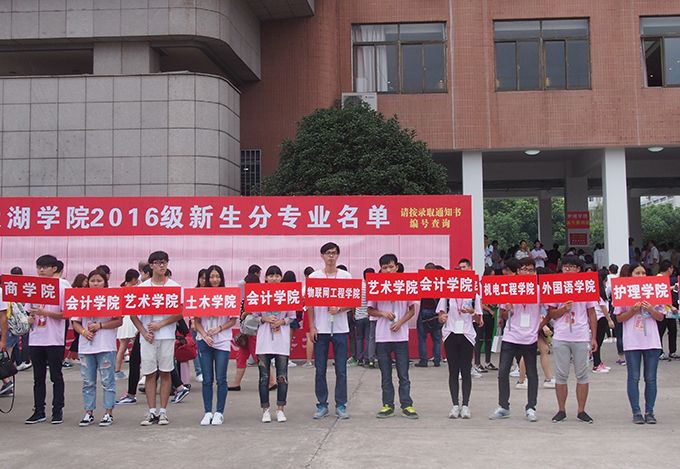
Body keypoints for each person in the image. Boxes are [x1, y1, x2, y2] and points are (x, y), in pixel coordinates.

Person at [130, 251, 183, 426]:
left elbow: (180, 312)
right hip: (148, 338)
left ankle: (163, 412)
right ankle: (151, 411)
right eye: (158, 262)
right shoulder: (142, 288)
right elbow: (133, 314)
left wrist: (161, 324)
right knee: (150, 373)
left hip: (166, 336)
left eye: (164, 262)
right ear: (151, 265)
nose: (162, 266)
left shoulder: (174, 287)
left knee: (166, 372)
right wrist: (143, 332)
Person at [546, 256, 598, 424]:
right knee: (561, 375)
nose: (567, 269)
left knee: (582, 374)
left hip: (581, 335)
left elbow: (592, 313)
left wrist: (594, 337)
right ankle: (561, 410)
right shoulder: (556, 286)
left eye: (572, 266)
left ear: (578, 269)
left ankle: (581, 410)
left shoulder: (585, 286)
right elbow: (551, 313)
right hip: (561, 336)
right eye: (565, 266)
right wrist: (564, 309)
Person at [490, 257, 542, 422]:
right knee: (503, 372)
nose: (527, 273)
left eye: (531, 270)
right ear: (518, 271)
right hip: (511, 336)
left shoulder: (539, 290)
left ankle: (531, 407)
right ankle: (503, 406)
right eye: (524, 269)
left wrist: (541, 327)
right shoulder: (509, 288)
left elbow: (548, 311)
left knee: (532, 373)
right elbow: (503, 315)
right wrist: (508, 310)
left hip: (530, 338)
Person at [368, 253, 418, 419]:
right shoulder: (376, 285)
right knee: (385, 374)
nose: (388, 270)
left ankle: (407, 404)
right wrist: (382, 313)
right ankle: (387, 405)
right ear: (380, 269)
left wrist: (400, 322)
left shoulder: (406, 284)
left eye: (391, 267)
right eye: (385, 267)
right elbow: (370, 310)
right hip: (382, 337)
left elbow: (412, 310)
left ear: (397, 267)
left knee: (403, 374)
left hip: (400, 337)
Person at [615, 263, 666, 424]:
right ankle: (636, 412)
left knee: (651, 378)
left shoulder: (654, 290)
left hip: (651, 341)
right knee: (634, 377)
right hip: (632, 341)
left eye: (643, 273)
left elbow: (661, 317)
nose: (641, 276)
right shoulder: (623, 291)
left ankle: (649, 411)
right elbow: (619, 318)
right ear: (630, 275)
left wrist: (651, 309)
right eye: (637, 273)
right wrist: (632, 310)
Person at [71, 269, 123, 427]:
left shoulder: (111, 298)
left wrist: (100, 325)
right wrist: (84, 332)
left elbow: (118, 321)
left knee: (107, 380)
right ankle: (89, 412)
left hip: (105, 345)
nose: (95, 283)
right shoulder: (81, 298)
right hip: (86, 347)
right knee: (88, 381)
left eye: (99, 281)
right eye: (92, 280)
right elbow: (75, 322)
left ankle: (108, 412)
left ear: (105, 283)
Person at [309, 242, 352, 420]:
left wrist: (340, 309)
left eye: (334, 253)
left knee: (341, 369)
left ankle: (341, 405)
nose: (331, 256)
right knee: (320, 369)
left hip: (340, 329)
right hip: (321, 329)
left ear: (338, 255)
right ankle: (322, 404)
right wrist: (312, 326)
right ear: (322, 256)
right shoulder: (314, 277)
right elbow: (310, 304)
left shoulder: (346, 276)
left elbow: (353, 302)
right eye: (328, 253)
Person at [25, 255, 68, 424]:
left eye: (45, 267)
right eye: (39, 267)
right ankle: (39, 411)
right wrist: (29, 319)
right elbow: (29, 310)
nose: (41, 270)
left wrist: (46, 313)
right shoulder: (33, 286)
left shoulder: (62, 286)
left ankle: (57, 410)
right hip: (36, 338)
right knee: (38, 378)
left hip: (54, 339)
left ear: (54, 269)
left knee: (56, 376)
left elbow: (67, 313)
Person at [437, 258, 481, 419]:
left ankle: (466, 405)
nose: (461, 272)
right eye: (459, 269)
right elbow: (440, 316)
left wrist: (472, 312)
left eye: (464, 268)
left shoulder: (474, 294)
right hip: (451, 334)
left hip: (467, 335)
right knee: (453, 371)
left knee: (466, 370)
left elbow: (479, 320)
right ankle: (455, 405)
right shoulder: (447, 293)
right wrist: (442, 318)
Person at [194, 265, 236, 426]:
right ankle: (207, 412)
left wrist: (219, 328)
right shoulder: (200, 295)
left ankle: (219, 412)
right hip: (204, 341)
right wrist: (204, 335)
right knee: (207, 379)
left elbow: (233, 320)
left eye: (217, 276)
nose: (214, 279)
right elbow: (196, 321)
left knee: (221, 378)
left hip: (222, 341)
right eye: (211, 277)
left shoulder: (228, 295)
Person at [253, 266, 296, 423]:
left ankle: (280, 409)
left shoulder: (287, 294)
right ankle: (265, 409)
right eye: (271, 275)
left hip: (281, 340)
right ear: (266, 278)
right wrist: (264, 319)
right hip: (264, 340)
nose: (274, 278)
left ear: (281, 277)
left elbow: (292, 316)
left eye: (277, 275)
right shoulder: (259, 294)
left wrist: (281, 321)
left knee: (282, 376)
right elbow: (253, 316)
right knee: (264, 377)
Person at [115, 269, 140, 380]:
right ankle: (139, 370)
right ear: (134, 279)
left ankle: (117, 370)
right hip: (133, 320)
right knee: (137, 347)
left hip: (124, 320)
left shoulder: (121, 289)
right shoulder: (136, 289)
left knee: (122, 347)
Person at [416, 263, 442, 368]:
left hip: (424, 311)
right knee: (437, 339)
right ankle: (437, 360)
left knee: (422, 338)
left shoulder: (423, 281)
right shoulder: (439, 281)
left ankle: (423, 361)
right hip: (436, 312)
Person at [63, 273, 88, 368]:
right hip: (76, 318)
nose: (86, 283)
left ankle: (75, 357)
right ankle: (68, 357)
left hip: (79, 317)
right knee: (77, 337)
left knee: (78, 337)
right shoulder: (76, 291)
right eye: (85, 281)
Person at [592, 270, 615, 373]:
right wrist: (609, 320)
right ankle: (596, 364)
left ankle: (599, 362)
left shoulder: (600, 294)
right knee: (597, 342)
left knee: (598, 342)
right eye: (605, 281)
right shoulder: (598, 294)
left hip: (600, 318)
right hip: (600, 318)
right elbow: (603, 308)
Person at [475, 267, 497, 372]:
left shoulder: (492, 286)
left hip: (490, 316)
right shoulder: (480, 285)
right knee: (479, 340)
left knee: (488, 339)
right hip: (483, 315)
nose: (493, 277)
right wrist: (489, 309)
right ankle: (477, 363)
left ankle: (488, 362)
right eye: (491, 275)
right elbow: (480, 302)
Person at [656, 260, 678, 360]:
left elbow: (666, 289)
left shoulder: (665, 278)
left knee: (673, 329)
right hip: (662, 310)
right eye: (672, 268)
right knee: (660, 330)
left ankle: (672, 351)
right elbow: (661, 294)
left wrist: (673, 287)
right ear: (669, 268)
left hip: (668, 310)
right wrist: (671, 306)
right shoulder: (659, 277)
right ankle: (659, 352)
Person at [191, 268, 208, 382]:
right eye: (202, 278)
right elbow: (191, 309)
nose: (204, 281)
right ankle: (199, 371)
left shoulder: (213, 292)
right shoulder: (195, 291)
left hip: (208, 325)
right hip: (196, 324)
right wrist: (193, 321)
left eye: (206, 278)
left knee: (206, 350)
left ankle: (207, 371)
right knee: (196, 349)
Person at [354, 268, 373, 367]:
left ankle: (359, 359)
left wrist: (354, 314)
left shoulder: (358, 286)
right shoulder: (373, 286)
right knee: (368, 338)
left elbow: (354, 301)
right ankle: (367, 358)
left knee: (359, 339)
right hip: (368, 316)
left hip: (358, 316)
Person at [302, 266, 316, 367]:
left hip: (308, 313)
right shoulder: (317, 286)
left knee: (309, 337)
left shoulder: (305, 288)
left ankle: (308, 361)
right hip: (317, 313)